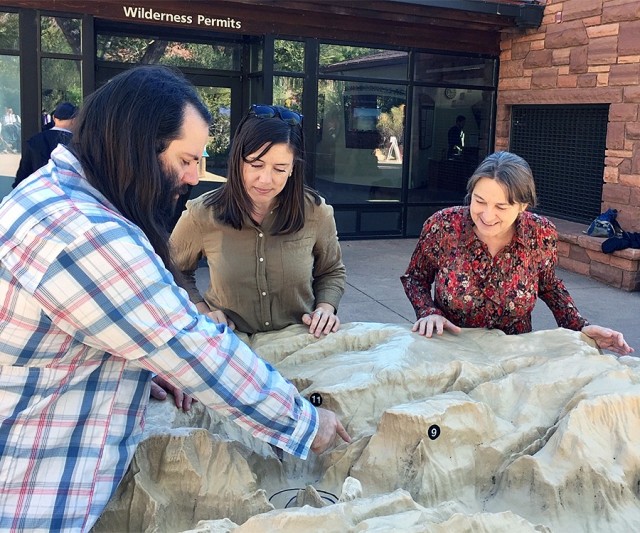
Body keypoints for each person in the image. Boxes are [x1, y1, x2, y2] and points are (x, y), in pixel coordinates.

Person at [0, 66, 350, 531]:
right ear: (138, 145)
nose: (193, 175)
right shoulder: (88, 235)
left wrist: (127, 363)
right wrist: (306, 424)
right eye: (186, 158)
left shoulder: (51, 196)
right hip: (27, 495)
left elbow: (77, 333)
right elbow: (191, 346)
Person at [401, 151, 633, 356]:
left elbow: (548, 285)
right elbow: (415, 277)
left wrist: (579, 325)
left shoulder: (540, 233)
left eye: (501, 207)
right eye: (479, 201)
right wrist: (427, 311)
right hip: (450, 351)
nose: (487, 215)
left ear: (523, 206)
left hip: (513, 357)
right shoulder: (443, 226)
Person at [170, 104, 346, 338]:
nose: (265, 179)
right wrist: (202, 311)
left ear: (293, 168)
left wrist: (326, 308)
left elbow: (331, 271)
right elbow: (172, 271)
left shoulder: (315, 212)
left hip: (297, 344)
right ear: (238, 161)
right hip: (233, 347)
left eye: (280, 169)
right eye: (256, 165)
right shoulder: (202, 213)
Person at [13, 101, 77, 188]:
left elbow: (23, 173)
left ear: (54, 118)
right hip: (68, 195)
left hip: (38, 192)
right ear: (74, 121)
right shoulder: (78, 143)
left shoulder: (35, 140)